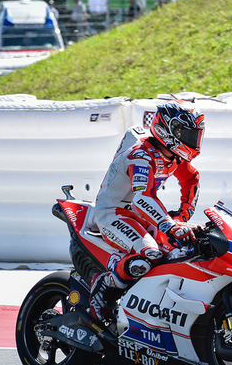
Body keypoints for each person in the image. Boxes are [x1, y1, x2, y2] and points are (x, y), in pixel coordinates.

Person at [87, 101, 205, 322]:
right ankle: (103, 289)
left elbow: (191, 178)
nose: (194, 140)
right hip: (113, 212)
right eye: (188, 134)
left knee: (180, 250)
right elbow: (143, 198)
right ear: (168, 131)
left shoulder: (172, 155)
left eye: (196, 134)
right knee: (149, 254)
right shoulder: (141, 155)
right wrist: (169, 224)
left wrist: (183, 216)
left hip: (139, 214)